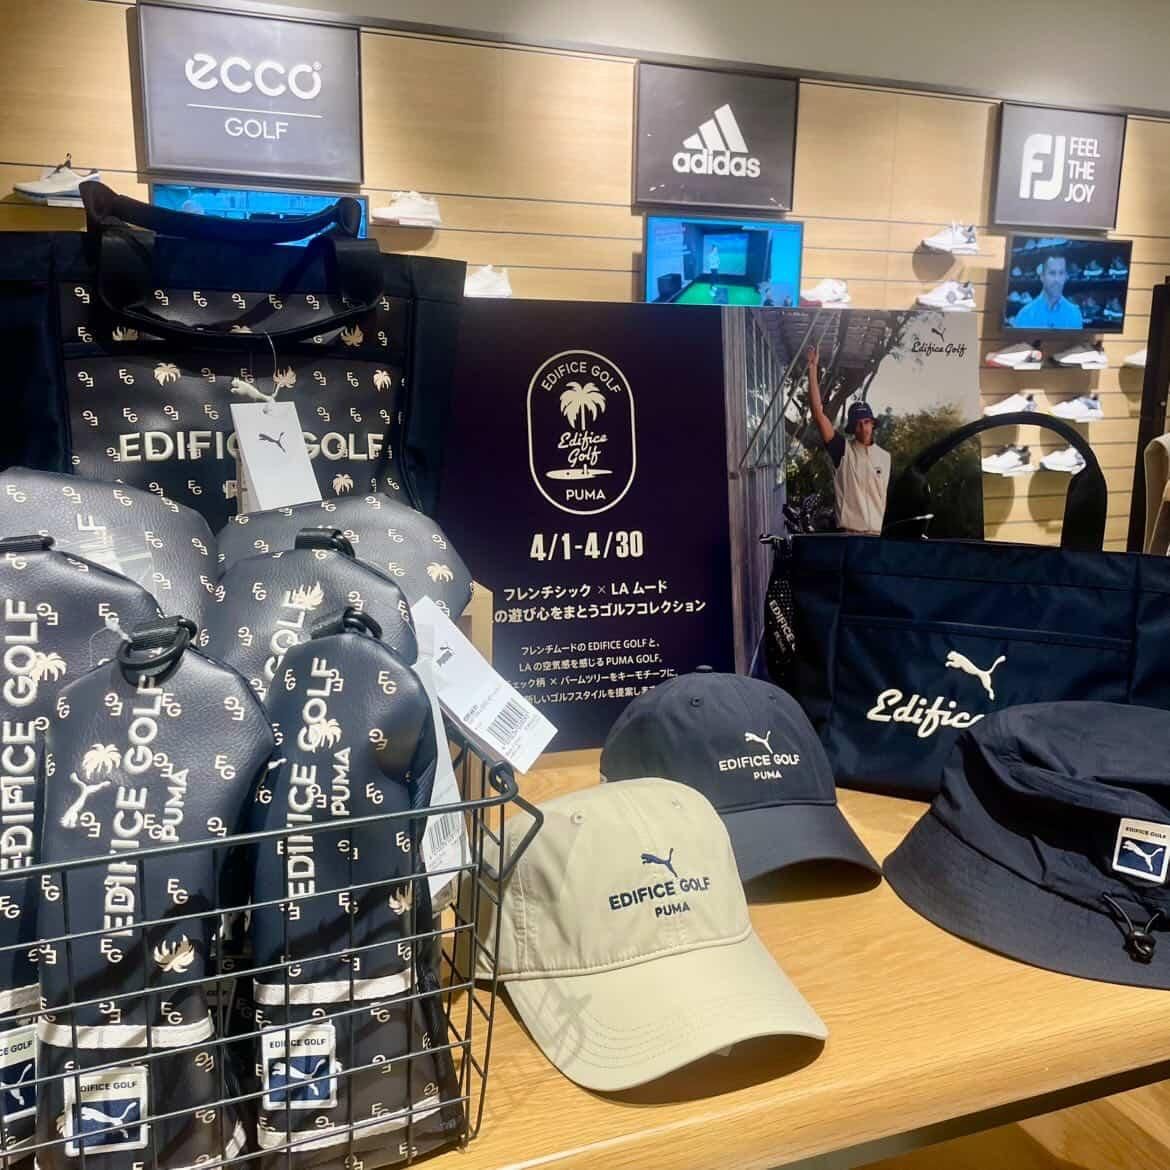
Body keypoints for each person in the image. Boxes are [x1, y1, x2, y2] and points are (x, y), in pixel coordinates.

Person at [806, 348, 891, 535]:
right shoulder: (842, 450)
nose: (863, 427)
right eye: (858, 424)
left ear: (873, 424)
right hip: (850, 536)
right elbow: (818, 414)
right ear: (852, 428)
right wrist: (812, 369)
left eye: (866, 422)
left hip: (878, 537)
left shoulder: (885, 457)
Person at [1011, 254, 1083, 329]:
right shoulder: (1025, 315)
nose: (1057, 279)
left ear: (1065, 277)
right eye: (1052, 273)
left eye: (1061, 273)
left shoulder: (1075, 314)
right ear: (1042, 277)